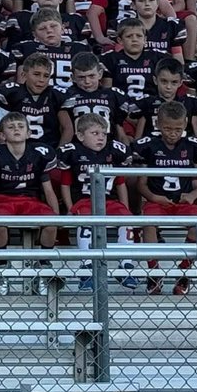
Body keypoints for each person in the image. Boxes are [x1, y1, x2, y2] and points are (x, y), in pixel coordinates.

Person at [131, 101, 197, 295]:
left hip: (182, 201)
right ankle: (154, 272)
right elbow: (140, 183)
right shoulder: (147, 145)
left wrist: (192, 195)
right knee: (148, 224)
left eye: (177, 128)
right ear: (157, 123)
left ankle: (184, 270)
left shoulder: (193, 145)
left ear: (185, 124)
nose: (172, 133)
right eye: (167, 128)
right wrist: (153, 197)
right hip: (157, 199)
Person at [57, 113, 136, 290]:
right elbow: (66, 184)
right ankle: (87, 267)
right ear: (80, 135)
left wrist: (125, 207)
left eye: (103, 133)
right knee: (86, 222)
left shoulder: (114, 151)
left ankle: (126, 266)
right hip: (84, 200)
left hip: (109, 199)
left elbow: (120, 182)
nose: (100, 137)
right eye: (94, 133)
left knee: (128, 221)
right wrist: (70, 208)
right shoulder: (73, 152)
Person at [0, 112, 60, 295]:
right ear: (2, 135)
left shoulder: (38, 153)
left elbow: (48, 189)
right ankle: (2, 265)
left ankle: (43, 264)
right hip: (4, 198)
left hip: (31, 200)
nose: (16, 130)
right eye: (11, 127)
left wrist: (57, 215)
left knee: (51, 223)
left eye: (20, 126)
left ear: (28, 133)